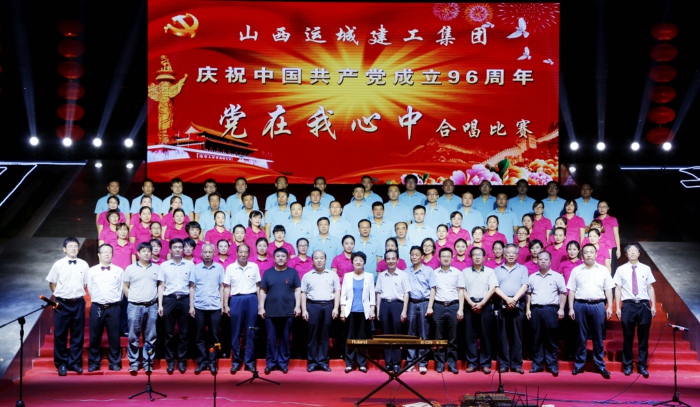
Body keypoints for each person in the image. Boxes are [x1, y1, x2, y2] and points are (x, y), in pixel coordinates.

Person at [567, 244, 614, 377]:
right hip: (580, 305)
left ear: (596, 254)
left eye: (591, 252)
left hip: (598, 305)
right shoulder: (576, 270)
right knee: (580, 337)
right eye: (586, 252)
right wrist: (571, 308)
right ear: (582, 255)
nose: (588, 254)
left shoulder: (603, 270)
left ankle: (600, 365)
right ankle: (579, 365)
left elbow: (608, 289)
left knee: (598, 336)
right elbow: (571, 290)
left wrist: (610, 306)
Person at [46, 237, 88, 376]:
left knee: (78, 334)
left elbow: (85, 284)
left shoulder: (84, 264)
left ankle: (74, 362)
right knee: (60, 334)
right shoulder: (58, 264)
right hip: (62, 303)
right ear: (64, 249)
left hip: (78, 303)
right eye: (70, 246)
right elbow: (52, 283)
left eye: (76, 246)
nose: (74, 248)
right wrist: (60, 295)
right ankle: (61, 364)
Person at [614, 244, 656, 378]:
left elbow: (650, 287)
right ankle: (628, 365)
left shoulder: (646, 268)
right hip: (628, 305)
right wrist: (617, 307)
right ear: (626, 254)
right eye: (629, 251)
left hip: (643, 305)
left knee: (644, 338)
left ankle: (642, 365)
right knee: (628, 337)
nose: (632, 253)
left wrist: (653, 305)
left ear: (639, 253)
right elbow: (618, 289)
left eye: (635, 250)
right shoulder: (621, 269)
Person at [258, 248, 301, 374]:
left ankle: (283, 363)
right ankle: (271, 363)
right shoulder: (268, 273)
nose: (281, 258)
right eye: (278, 256)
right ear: (274, 258)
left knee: (285, 339)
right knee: (271, 339)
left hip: (287, 311)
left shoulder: (293, 272)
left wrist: (297, 306)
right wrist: (261, 307)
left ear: (287, 258)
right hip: (270, 312)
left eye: (283, 256)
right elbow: (263, 291)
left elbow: (297, 290)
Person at [526, 251, 566, 376]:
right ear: (537, 261)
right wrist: (528, 309)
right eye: (540, 259)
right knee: (536, 338)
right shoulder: (532, 277)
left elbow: (563, 293)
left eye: (546, 259)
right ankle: (537, 365)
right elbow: (528, 294)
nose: (543, 261)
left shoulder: (557, 276)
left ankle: (552, 365)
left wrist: (561, 308)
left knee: (551, 339)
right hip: (535, 310)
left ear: (550, 261)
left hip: (551, 309)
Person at [158, 238, 194, 374]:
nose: (178, 249)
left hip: (184, 299)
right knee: (168, 333)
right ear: (170, 250)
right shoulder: (164, 265)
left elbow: (192, 286)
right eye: (175, 247)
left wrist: (191, 305)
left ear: (183, 249)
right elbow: (161, 286)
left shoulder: (190, 265)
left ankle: (182, 360)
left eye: (180, 247)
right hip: (169, 300)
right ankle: (171, 361)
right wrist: (160, 305)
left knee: (184, 333)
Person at [223, 244, 261, 374]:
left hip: (251, 299)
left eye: (245, 252)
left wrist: (259, 305)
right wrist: (226, 304)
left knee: (251, 332)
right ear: (237, 253)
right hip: (236, 300)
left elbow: (258, 286)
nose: (243, 255)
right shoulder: (230, 268)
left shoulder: (254, 267)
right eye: (241, 252)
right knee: (235, 332)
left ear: (249, 254)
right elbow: (227, 287)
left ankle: (249, 362)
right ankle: (236, 362)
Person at [301, 250, 340, 372]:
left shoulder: (332, 275)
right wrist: (304, 310)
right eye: (316, 258)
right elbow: (303, 293)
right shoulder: (307, 275)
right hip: (312, 306)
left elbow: (337, 291)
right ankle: (312, 362)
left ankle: (323, 361)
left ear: (326, 260)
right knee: (312, 335)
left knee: (325, 335)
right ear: (312, 260)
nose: (319, 260)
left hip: (328, 306)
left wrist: (336, 308)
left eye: (321, 258)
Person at [123, 242, 160, 374]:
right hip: (134, 306)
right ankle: (133, 363)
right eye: (143, 251)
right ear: (138, 253)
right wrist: (131, 298)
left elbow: (160, 286)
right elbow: (125, 285)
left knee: (151, 337)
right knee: (133, 336)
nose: (146, 253)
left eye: (148, 251)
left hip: (152, 306)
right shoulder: (130, 268)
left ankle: (148, 362)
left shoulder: (157, 268)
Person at [86, 244, 124, 372]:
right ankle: (94, 363)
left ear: (112, 254)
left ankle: (114, 362)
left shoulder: (119, 270)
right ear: (99, 255)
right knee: (95, 336)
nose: (107, 254)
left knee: (114, 336)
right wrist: (99, 299)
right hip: (97, 306)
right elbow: (90, 288)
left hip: (114, 307)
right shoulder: (91, 271)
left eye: (109, 252)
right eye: (104, 252)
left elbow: (121, 289)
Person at [189, 243, 225, 374]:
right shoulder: (196, 268)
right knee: (200, 335)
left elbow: (221, 286)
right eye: (205, 252)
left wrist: (222, 305)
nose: (208, 254)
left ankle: (212, 362)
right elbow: (192, 287)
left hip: (215, 306)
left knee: (214, 335)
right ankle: (202, 362)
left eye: (210, 252)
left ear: (214, 253)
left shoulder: (219, 268)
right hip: (199, 306)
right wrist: (191, 306)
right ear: (201, 253)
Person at [427, 247, 464, 374]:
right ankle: (440, 363)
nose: (446, 258)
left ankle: (452, 364)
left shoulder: (457, 273)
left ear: (452, 257)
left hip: (453, 306)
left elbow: (460, 291)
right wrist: (430, 306)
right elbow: (433, 290)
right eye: (443, 256)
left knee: (453, 338)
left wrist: (460, 309)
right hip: (439, 306)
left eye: (448, 256)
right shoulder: (434, 273)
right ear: (439, 258)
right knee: (439, 337)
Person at [493, 244, 529, 374]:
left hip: (518, 304)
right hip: (501, 304)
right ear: (504, 254)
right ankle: (503, 364)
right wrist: (507, 299)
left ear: (517, 255)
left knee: (517, 336)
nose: (511, 255)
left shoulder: (523, 269)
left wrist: (514, 299)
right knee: (502, 336)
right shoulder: (497, 270)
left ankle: (516, 364)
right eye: (508, 252)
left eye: (513, 253)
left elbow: (525, 286)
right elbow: (494, 287)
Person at [462, 247, 498, 374]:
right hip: (469, 305)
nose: (477, 257)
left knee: (485, 335)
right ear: (471, 257)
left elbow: (492, 288)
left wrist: (482, 303)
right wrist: (471, 303)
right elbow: (462, 289)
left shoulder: (490, 272)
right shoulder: (465, 272)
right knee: (470, 336)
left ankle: (485, 364)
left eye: (479, 255)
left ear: (484, 257)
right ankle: (472, 363)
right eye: (474, 255)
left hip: (485, 304)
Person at [375, 250, 411, 373]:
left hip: (397, 305)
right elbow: (378, 293)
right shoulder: (381, 276)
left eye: (393, 258)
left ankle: (396, 363)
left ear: (397, 260)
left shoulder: (403, 275)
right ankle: (388, 363)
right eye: (388, 259)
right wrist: (378, 310)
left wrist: (404, 311)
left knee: (396, 335)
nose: (391, 261)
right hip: (384, 305)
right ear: (385, 261)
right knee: (386, 335)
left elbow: (406, 293)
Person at [340, 251, 376, 373]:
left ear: (364, 262)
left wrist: (372, 309)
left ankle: (362, 363)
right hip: (350, 311)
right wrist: (342, 310)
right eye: (356, 260)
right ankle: (349, 364)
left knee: (362, 338)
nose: (358, 262)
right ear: (352, 262)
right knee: (349, 337)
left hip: (364, 312)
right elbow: (343, 294)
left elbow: (372, 295)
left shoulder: (369, 276)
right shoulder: (347, 276)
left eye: (361, 260)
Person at [405, 246, 432, 374]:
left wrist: (430, 306)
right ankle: (410, 362)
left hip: (424, 303)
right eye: (412, 254)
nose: (414, 257)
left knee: (424, 334)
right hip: (411, 303)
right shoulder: (406, 271)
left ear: (422, 256)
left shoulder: (428, 270)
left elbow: (433, 289)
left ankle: (422, 363)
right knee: (411, 334)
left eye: (417, 254)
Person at [596, 200, 621, 268]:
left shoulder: (613, 219)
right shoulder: (595, 220)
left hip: (612, 247)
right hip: (600, 247)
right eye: (600, 207)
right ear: (597, 208)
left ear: (608, 208)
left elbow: (616, 235)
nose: (602, 208)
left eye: (604, 207)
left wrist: (618, 249)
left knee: (611, 267)